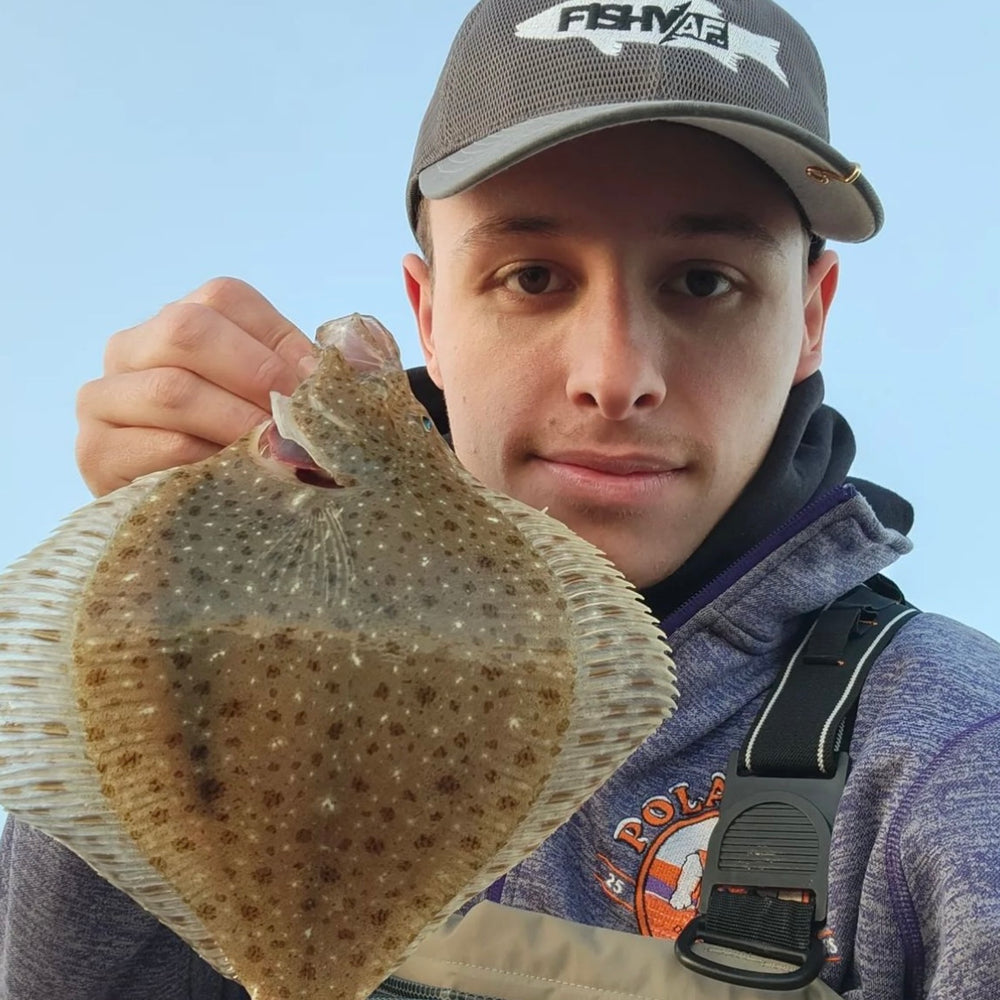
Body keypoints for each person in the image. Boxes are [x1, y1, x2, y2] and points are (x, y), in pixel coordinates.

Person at [2, 0, 998, 997]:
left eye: (702, 281)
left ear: (810, 321)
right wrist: (145, 592)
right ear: (428, 316)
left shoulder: (950, 761)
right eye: (531, 276)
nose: (615, 376)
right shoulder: (220, 604)